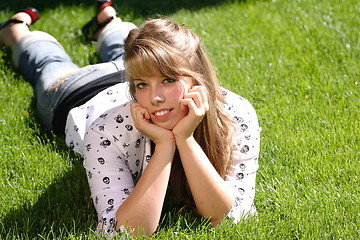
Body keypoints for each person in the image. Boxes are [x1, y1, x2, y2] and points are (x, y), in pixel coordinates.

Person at [0, 1, 260, 237]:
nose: (155, 98)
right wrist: (165, 145)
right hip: (80, 92)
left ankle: (107, 19)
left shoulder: (234, 113)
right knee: (49, 62)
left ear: (196, 76)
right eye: (143, 86)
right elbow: (126, 231)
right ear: (135, 85)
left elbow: (225, 216)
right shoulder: (104, 130)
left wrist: (185, 138)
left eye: (169, 80)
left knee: (130, 53)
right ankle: (17, 29)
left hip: (132, 71)